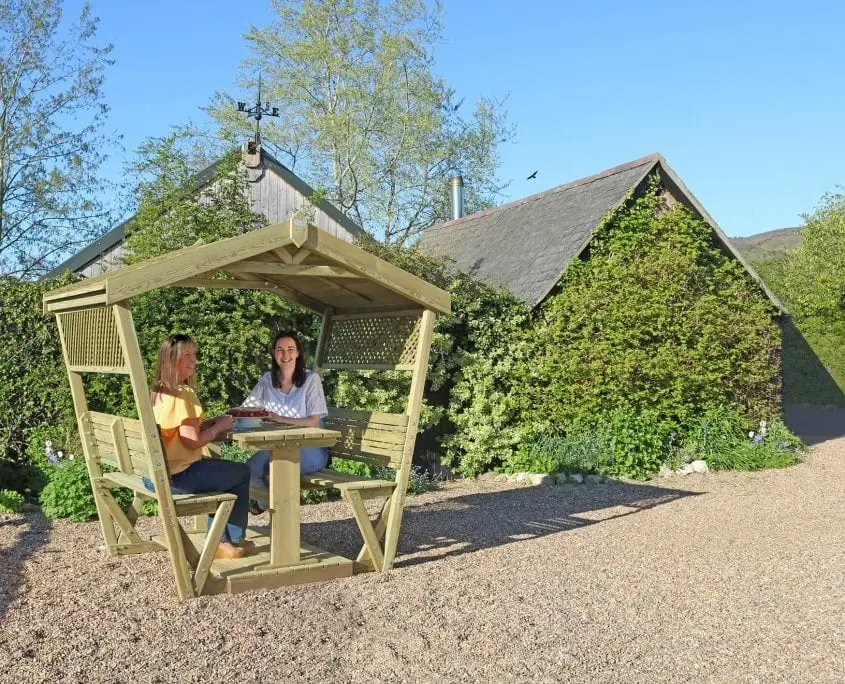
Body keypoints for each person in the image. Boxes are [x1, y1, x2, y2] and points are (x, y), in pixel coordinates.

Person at [147, 334, 253, 560]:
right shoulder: (182, 394)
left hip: (153, 474)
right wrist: (219, 428)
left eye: (194, 354)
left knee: (221, 471)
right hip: (176, 477)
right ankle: (226, 541)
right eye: (187, 355)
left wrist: (212, 422)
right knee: (241, 472)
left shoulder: (158, 391)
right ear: (170, 359)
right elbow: (192, 441)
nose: (193, 360)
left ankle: (226, 538)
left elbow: (180, 430)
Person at [243, 331, 329, 512]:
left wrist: (278, 418)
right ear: (274, 353)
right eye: (280, 350)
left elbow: (313, 421)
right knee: (247, 472)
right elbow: (246, 409)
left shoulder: (311, 380)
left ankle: (282, 522)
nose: (285, 355)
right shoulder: (267, 380)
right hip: (277, 447)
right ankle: (270, 508)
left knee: (279, 473)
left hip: (311, 449)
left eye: (290, 349)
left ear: (298, 353)